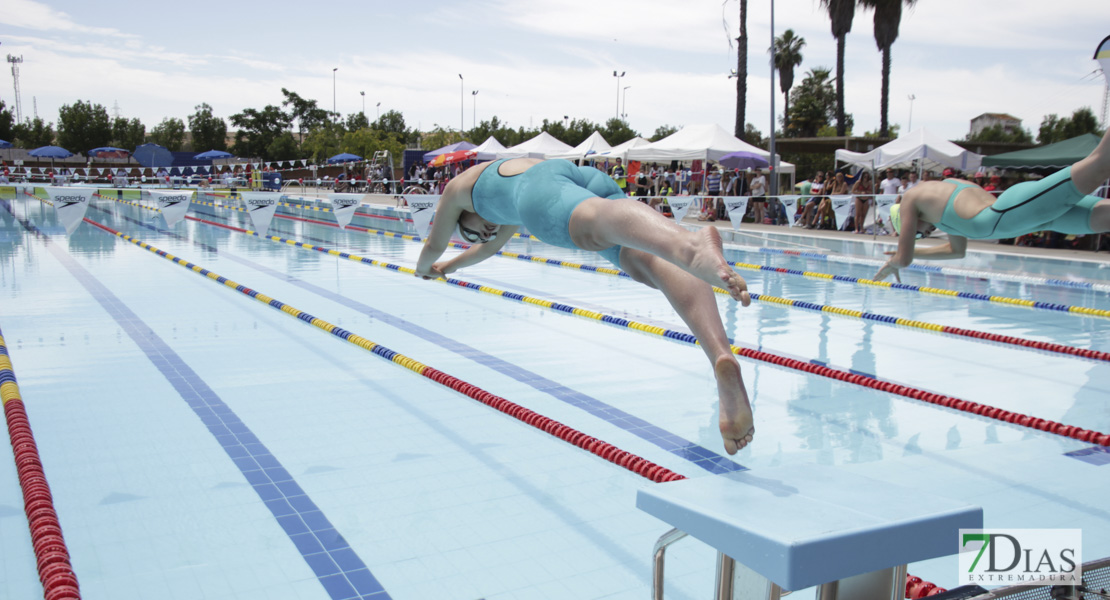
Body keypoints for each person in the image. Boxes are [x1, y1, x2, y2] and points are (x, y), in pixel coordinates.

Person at [414, 158, 756, 454]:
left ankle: (691, 244)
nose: (483, 236)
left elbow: (434, 242)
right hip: (580, 178)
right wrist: (449, 267)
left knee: (595, 226)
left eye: (472, 234)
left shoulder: (457, 189)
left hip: (546, 190)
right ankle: (719, 355)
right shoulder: (503, 198)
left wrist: (423, 268)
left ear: (463, 215)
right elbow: (488, 250)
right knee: (649, 263)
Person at [874, 127, 1110, 281]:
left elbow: (904, 259)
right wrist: (915, 251)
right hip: (1029, 216)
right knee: (1104, 217)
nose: (924, 235)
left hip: (1013, 211)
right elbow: (956, 251)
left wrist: (895, 261)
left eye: (917, 235)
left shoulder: (910, 199)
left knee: (1100, 163)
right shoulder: (944, 208)